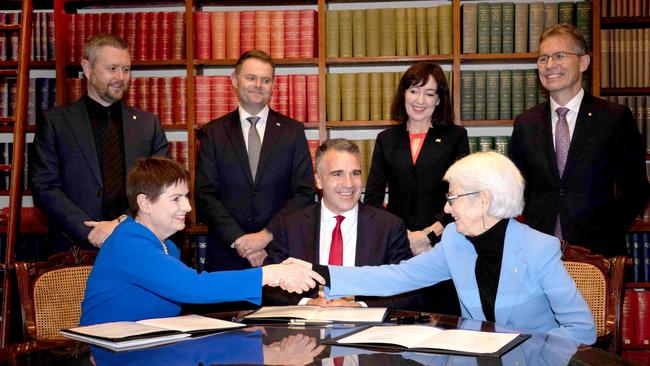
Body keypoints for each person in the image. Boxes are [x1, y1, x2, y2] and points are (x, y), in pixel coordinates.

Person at [288, 152, 596, 345]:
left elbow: (582, 329)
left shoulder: (539, 248)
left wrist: (524, 351)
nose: (447, 210)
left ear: (484, 200)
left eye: (453, 198)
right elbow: (397, 276)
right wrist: (319, 273)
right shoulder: (455, 242)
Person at [80, 157, 324, 325]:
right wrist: (269, 274)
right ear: (144, 203)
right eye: (176, 199)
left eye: (186, 197)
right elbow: (190, 287)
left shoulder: (169, 247)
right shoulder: (129, 242)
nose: (186, 207)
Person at [510, 24, 649, 256]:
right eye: (543, 58)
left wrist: (607, 228)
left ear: (584, 62)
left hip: (597, 254)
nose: (550, 65)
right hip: (536, 255)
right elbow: (517, 189)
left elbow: (636, 189)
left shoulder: (613, 118)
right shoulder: (526, 123)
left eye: (560, 56)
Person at [31, 33, 168, 255]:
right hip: (71, 249)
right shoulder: (56, 122)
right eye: (112, 68)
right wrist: (89, 231)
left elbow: (160, 185)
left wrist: (120, 224)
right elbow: (45, 188)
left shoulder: (148, 124)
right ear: (87, 68)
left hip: (134, 245)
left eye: (126, 69)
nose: (121, 77)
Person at [195, 50, 315, 272]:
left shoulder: (292, 131)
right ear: (234, 80)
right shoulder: (213, 133)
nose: (258, 84)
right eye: (251, 78)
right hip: (226, 253)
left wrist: (265, 235)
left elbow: (304, 193)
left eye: (266, 80)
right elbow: (205, 194)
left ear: (273, 85)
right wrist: (240, 240)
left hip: (280, 252)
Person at [265, 139, 419, 310]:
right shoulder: (290, 225)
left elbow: (409, 291)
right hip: (305, 331)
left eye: (355, 173)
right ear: (318, 181)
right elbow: (270, 288)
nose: (349, 184)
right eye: (337, 174)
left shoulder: (389, 227)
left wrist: (360, 306)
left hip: (367, 330)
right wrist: (307, 303)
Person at [364, 62, 468, 315]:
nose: (420, 100)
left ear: (439, 100)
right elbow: (373, 199)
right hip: (398, 247)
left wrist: (430, 234)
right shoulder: (386, 139)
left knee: (444, 323)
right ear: (403, 94)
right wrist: (403, 235)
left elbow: (463, 194)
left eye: (429, 93)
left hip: (444, 244)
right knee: (399, 321)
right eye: (413, 90)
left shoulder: (456, 137)